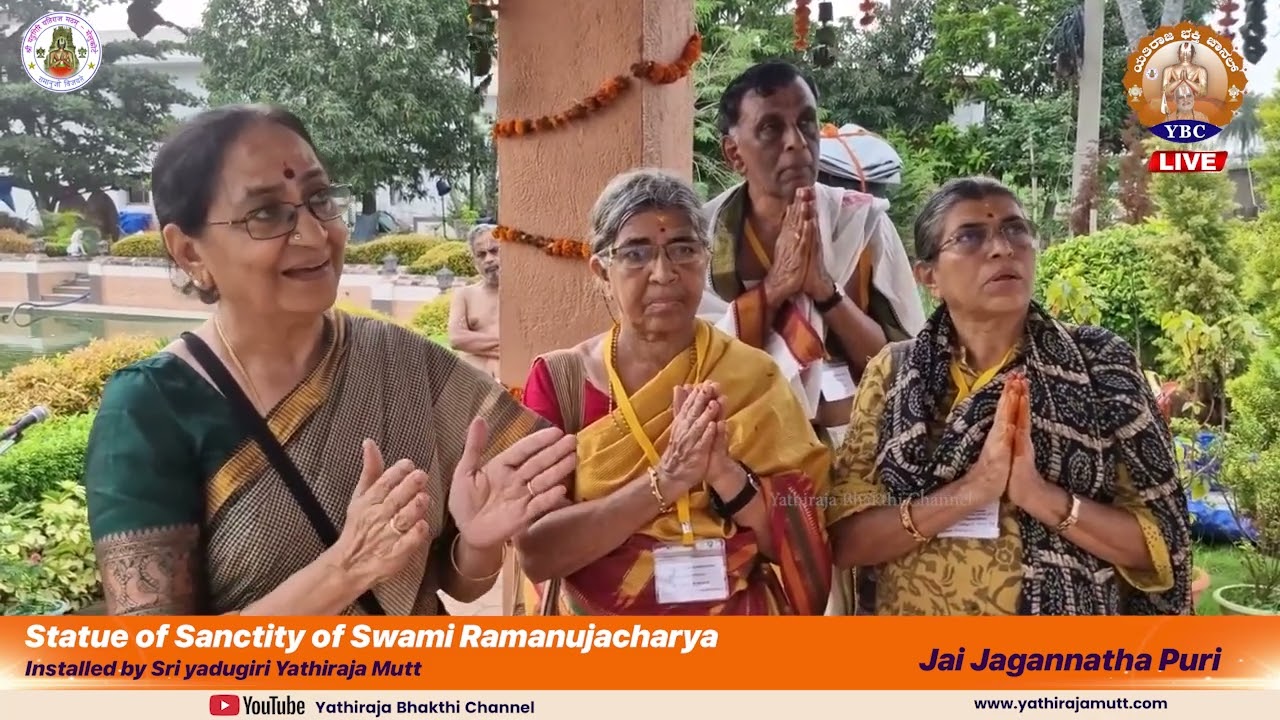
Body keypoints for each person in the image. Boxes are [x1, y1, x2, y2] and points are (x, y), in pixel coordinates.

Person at [84, 105, 575, 615]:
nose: (316, 236)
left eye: (319, 199)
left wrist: (477, 542)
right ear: (188, 252)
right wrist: (347, 568)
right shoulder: (151, 409)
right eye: (266, 214)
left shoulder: (401, 362)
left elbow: (451, 582)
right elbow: (156, 671)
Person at [827, 177, 1193, 615]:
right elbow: (846, 540)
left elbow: (1162, 544)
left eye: (1015, 229)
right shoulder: (894, 372)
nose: (1002, 248)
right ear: (929, 276)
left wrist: (1038, 494)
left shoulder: (1098, 364)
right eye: (971, 236)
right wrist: (972, 489)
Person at [515, 169, 833, 615]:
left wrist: (728, 478)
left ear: (705, 259)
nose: (663, 273)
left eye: (683, 249)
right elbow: (538, 553)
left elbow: (802, 547)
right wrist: (665, 482)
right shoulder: (561, 381)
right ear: (601, 270)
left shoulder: (752, 377)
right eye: (636, 253)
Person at [696, 60, 926, 616]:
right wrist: (773, 292)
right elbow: (701, 362)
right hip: (750, 459)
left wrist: (825, 291)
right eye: (771, 128)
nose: (796, 143)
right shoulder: (702, 238)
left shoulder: (862, 223)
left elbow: (907, 360)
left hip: (858, 453)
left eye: (806, 123)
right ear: (734, 152)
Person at [448, 223, 501, 379]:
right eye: (481, 254)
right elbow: (456, 338)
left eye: (494, 251)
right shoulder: (465, 295)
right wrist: (508, 346)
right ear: (474, 261)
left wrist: (476, 345)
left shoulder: (523, 294)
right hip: (474, 388)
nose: (489, 259)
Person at [1160, 41, 1208, 117]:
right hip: (1176, 101)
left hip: (1193, 102)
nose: (1185, 55)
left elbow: (1203, 92)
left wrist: (1187, 81)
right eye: (1182, 52)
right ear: (1177, 53)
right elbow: (1165, 91)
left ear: (1194, 54)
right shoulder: (1169, 70)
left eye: (1188, 52)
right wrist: (1179, 81)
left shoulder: (1200, 70)